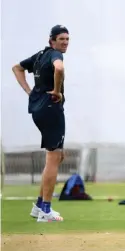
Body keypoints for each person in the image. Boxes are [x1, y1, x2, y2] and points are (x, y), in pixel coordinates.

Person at [12, 25, 69, 222]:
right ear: (51, 40)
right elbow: (59, 68)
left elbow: (17, 68)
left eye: (67, 39)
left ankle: (39, 205)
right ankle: (46, 210)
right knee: (54, 157)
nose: (65, 43)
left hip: (38, 107)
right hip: (51, 109)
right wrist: (57, 90)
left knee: (57, 156)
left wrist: (30, 92)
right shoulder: (55, 55)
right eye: (61, 39)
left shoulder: (40, 55)